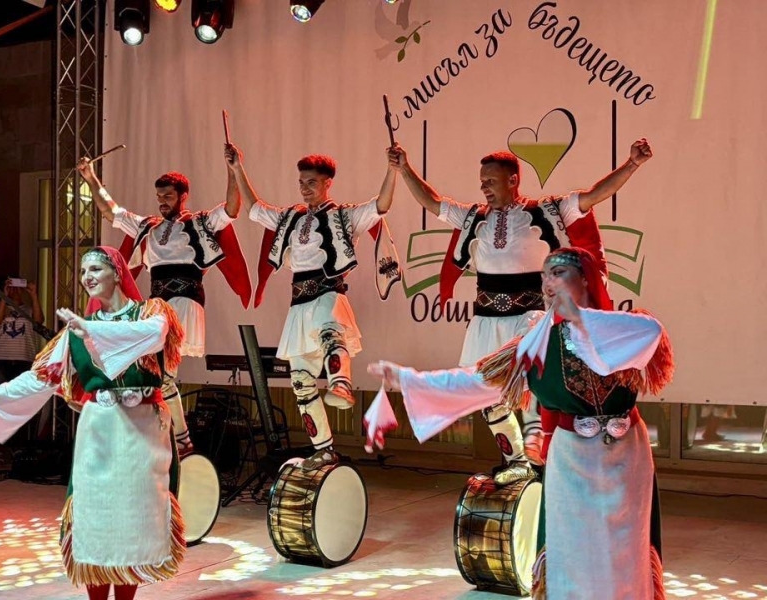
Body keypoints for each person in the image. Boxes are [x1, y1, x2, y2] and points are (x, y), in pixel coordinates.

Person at [367, 247, 673, 599]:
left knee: (626, 554)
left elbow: (651, 333)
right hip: (573, 464)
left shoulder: (625, 327)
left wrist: (580, 318)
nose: (548, 283)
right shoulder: (536, 345)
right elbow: (477, 381)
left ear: (586, 279)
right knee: (575, 555)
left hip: (627, 462)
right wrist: (407, 379)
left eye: (558, 273)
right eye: (544, 276)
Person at [387, 139, 652, 484]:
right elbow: (432, 201)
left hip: (530, 318)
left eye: (490, 181)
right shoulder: (472, 217)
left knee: (534, 391)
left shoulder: (548, 210)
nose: (484, 187)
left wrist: (632, 164)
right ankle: (517, 462)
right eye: (482, 181)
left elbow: (593, 195)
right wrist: (404, 168)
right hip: (485, 321)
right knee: (487, 396)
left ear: (513, 180)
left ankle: (542, 461)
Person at [0, 247, 186, 600]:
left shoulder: (151, 312)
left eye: (96, 269)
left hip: (143, 433)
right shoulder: (74, 334)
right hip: (100, 431)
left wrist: (93, 330)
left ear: (118, 272)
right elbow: (40, 379)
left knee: (134, 519)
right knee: (96, 516)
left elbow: (153, 335)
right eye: (83, 271)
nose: (87, 277)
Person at [227, 143, 400, 470]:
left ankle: (341, 383)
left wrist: (392, 170)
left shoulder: (344, 215)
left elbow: (381, 205)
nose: (305, 188)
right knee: (301, 382)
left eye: (311, 182)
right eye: (301, 182)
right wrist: (237, 168)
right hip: (299, 306)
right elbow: (254, 209)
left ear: (327, 183)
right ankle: (324, 449)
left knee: (332, 334)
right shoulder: (290, 218)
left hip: (328, 294)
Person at [77, 153, 251, 457]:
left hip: (184, 302)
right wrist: (90, 178)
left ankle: (177, 438)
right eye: (159, 196)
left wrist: (233, 169)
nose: (162, 202)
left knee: (156, 368)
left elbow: (232, 208)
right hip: (157, 305)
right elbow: (111, 211)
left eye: (168, 196)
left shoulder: (199, 222)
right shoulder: (148, 226)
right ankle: (176, 439)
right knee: (157, 375)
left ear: (183, 196)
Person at [0, 277, 45, 386]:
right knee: (0, 393)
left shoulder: (29, 310)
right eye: (12, 287)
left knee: (20, 394)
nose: (15, 290)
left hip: (24, 359)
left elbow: (39, 321)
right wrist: (4, 296)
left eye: (18, 286)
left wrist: (33, 295)